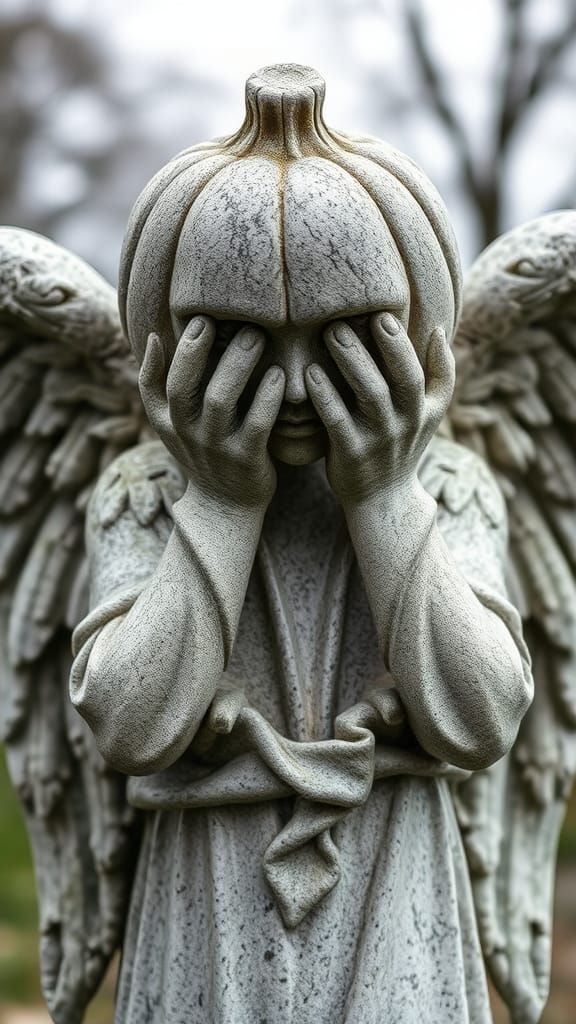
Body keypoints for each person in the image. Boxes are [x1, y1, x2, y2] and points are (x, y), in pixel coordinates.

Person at [70, 65, 532, 1023]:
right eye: (236, 341)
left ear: (416, 331)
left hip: (400, 904)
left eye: (341, 341)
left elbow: (482, 719)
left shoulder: (446, 488)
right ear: (165, 335)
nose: (287, 382)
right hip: (203, 922)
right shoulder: (144, 493)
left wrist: (387, 497)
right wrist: (221, 505)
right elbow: (129, 726)